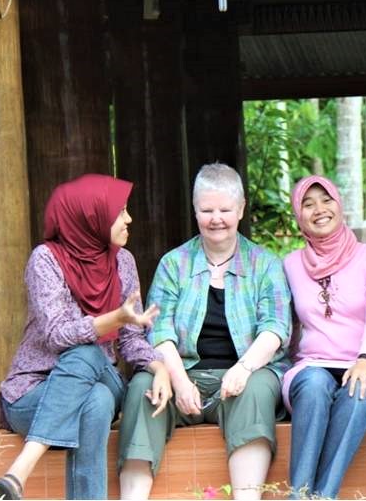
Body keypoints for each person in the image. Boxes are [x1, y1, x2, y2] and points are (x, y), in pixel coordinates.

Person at [117, 163, 292, 500]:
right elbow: (160, 329)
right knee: (143, 386)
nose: (216, 219)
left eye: (225, 210)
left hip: (245, 373)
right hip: (185, 372)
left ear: (240, 209)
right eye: (207, 210)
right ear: (194, 210)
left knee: (256, 389)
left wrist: (243, 368)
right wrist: (179, 380)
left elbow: (275, 328)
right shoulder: (174, 263)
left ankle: (246, 495)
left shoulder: (265, 263)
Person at [0, 174, 170, 500]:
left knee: (90, 357)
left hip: (101, 374)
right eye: (121, 212)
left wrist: (159, 368)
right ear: (91, 216)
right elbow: (58, 335)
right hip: (31, 393)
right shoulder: (45, 260)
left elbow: (130, 340)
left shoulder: (123, 262)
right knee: (96, 398)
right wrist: (112, 319)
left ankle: (21, 469)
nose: (129, 219)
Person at [282, 175, 366, 498]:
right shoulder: (290, 265)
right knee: (315, 384)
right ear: (298, 215)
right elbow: (283, 326)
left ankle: (321, 496)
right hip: (312, 366)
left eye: (326, 199)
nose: (319, 209)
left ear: (339, 204)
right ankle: (300, 493)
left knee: (359, 389)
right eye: (308, 203)